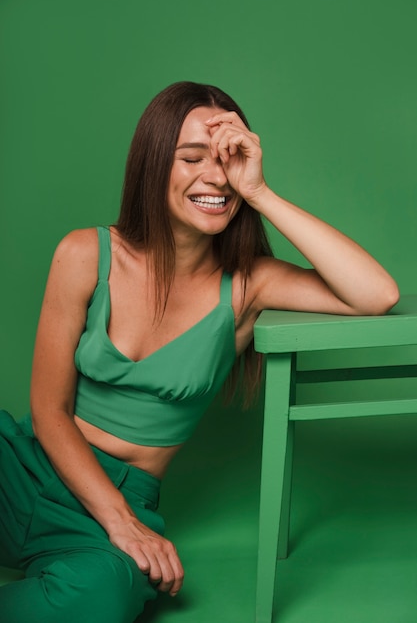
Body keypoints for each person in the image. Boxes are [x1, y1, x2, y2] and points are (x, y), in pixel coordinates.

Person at [0, 81, 399, 623]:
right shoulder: (84, 253)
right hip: (23, 465)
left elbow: (377, 295)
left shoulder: (247, 286)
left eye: (228, 160)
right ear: (152, 166)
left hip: (114, 505)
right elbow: (49, 411)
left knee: (101, 596)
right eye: (191, 158)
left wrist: (259, 191)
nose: (215, 177)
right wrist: (118, 518)